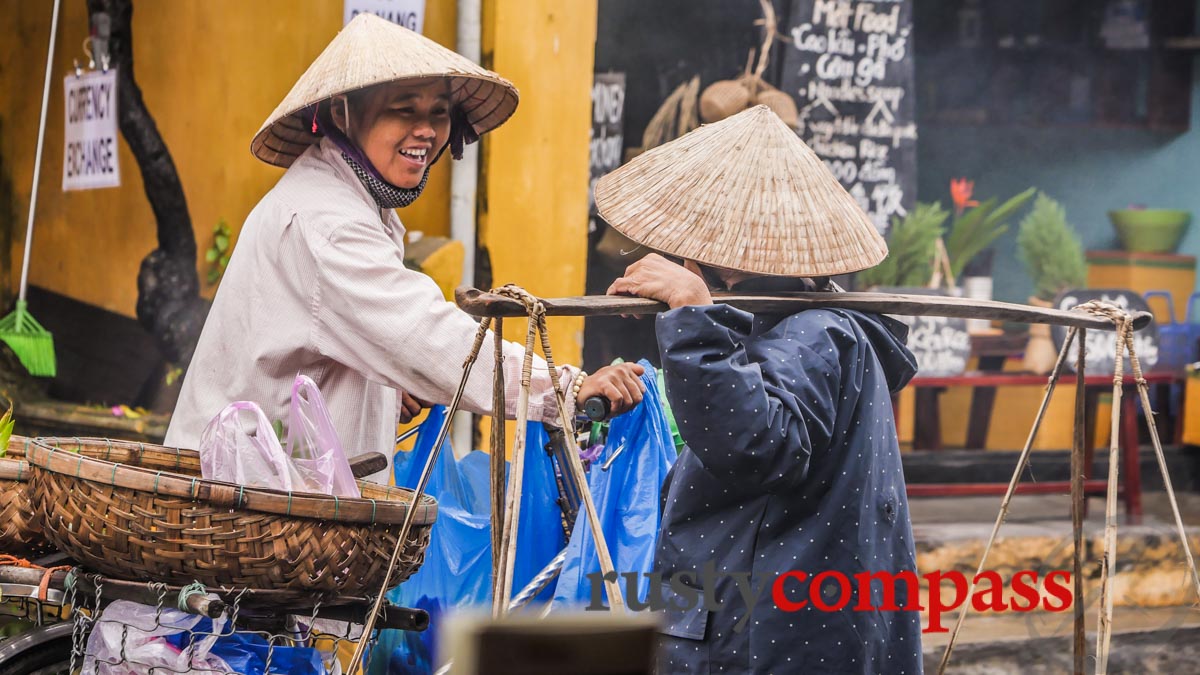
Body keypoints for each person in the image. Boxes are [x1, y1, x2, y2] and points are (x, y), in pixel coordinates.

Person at [165, 15, 644, 473]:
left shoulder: (356, 204)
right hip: (245, 504)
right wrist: (566, 388)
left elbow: (328, 345)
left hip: (278, 488)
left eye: (439, 113)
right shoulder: (327, 221)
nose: (428, 131)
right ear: (342, 113)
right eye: (404, 109)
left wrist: (382, 390)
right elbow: (421, 333)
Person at [597, 105, 923, 674]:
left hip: (767, 634)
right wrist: (694, 322)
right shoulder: (786, 325)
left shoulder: (817, 333)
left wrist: (694, 314)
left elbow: (757, 444)